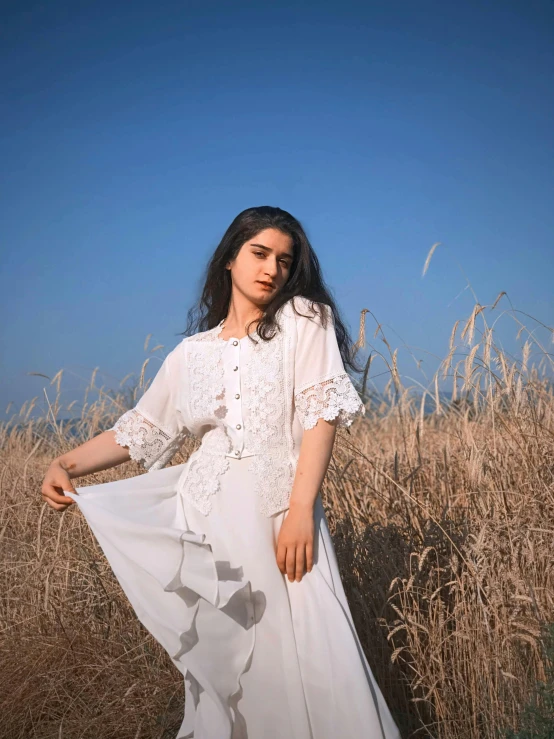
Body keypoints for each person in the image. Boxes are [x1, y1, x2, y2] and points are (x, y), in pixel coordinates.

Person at [41, 206, 401, 739]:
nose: (272, 269)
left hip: (279, 510)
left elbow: (321, 415)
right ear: (230, 258)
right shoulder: (191, 354)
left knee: (310, 645)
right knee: (231, 659)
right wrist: (66, 462)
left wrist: (301, 509)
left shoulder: (305, 320)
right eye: (259, 254)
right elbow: (140, 429)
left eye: (284, 260)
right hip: (207, 516)